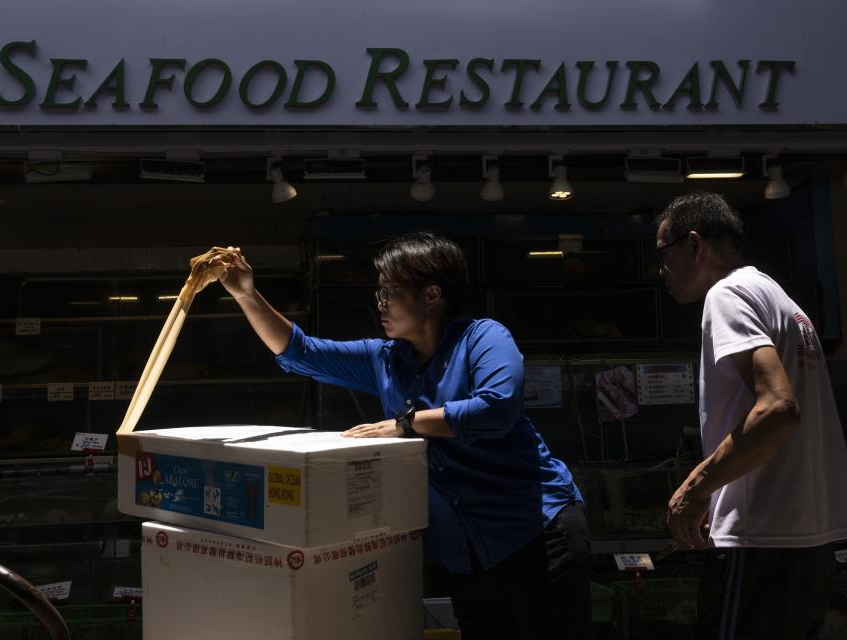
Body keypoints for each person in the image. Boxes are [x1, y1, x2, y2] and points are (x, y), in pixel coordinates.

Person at [206, 233, 593, 640]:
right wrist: (246, 294)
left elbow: (496, 409)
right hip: (467, 557)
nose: (381, 303)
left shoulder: (483, 338)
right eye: (379, 292)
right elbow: (302, 353)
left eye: (390, 291)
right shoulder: (385, 358)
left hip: (537, 533)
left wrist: (405, 424)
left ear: (431, 294)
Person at [656, 192, 847, 640]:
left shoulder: (727, 295)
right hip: (808, 540)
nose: (661, 269)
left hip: (759, 540)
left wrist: (696, 488)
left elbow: (777, 408)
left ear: (694, 245)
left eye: (663, 252)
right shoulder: (779, 297)